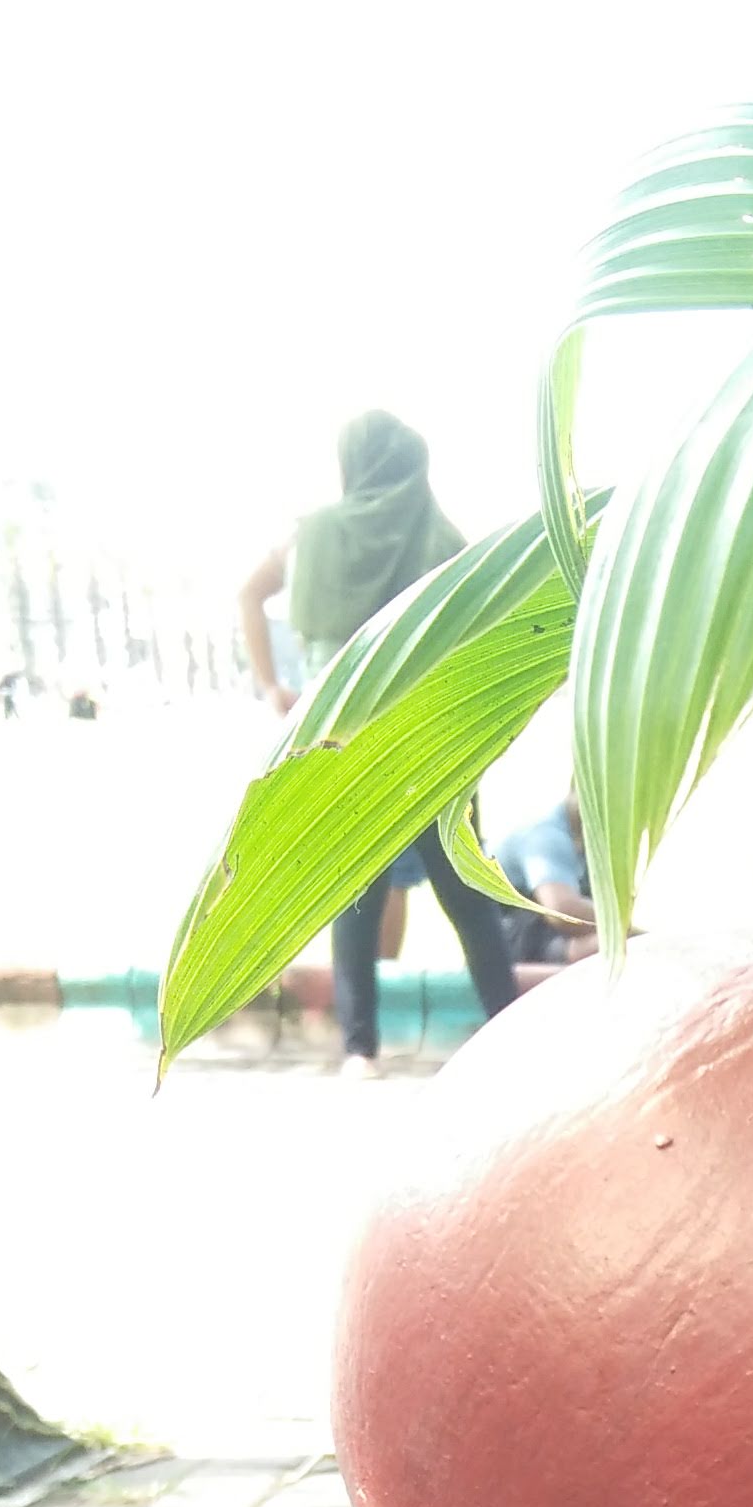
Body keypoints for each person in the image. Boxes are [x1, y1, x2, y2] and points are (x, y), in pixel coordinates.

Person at [238, 411, 519, 1071]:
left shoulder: (311, 536)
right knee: (467, 898)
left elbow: (248, 593)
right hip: (432, 750)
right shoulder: (444, 538)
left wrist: (273, 688)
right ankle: (511, 1032)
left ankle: (359, 1050)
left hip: (342, 748)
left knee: (355, 897)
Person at [495, 791, 599, 970]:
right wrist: (637, 933)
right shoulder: (547, 836)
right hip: (506, 944)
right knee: (613, 949)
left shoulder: (590, 839)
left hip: (544, 933)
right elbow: (564, 912)